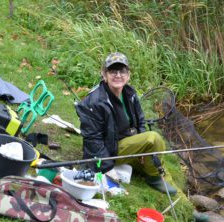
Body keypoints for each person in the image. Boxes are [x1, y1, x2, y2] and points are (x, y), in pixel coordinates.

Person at [75, 52, 177, 195]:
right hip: (107, 151)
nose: (118, 75)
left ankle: (154, 171)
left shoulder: (130, 93)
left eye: (122, 71)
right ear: (104, 75)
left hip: (125, 142)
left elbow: (140, 120)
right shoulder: (94, 102)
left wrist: (142, 149)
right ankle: (154, 179)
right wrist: (106, 167)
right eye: (112, 71)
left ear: (128, 75)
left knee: (154, 152)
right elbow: (92, 139)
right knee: (154, 138)